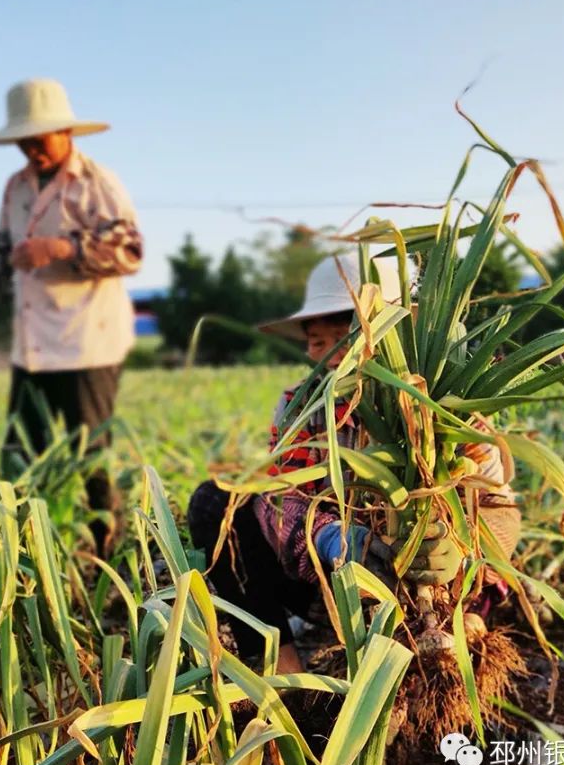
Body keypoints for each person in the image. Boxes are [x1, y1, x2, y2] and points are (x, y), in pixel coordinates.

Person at [187, 256, 521, 673]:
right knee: (215, 503)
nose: (324, 351)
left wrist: (459, 548)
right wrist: (337, 539)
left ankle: (461, 623)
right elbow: (281, 495)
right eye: (314, 338)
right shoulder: (303, 406)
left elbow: (499, 509)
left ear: (392, 333)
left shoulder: (448, 406)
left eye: (343, 332)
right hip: (336, 585)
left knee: (467, 588)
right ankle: (282, 668)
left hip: (446, 586)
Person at [0, 79, 143, 555]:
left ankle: (107, 548)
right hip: (33, 342)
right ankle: (21, 549)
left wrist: (63, 247)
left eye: (38, 140)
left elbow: (130, 250)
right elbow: (1, 246)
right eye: (23, 142)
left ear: (66, 133)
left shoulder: (96, 184)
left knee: (90, 453)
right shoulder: (16, 187)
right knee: (20, 451)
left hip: (87, 341)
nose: (31, 150)